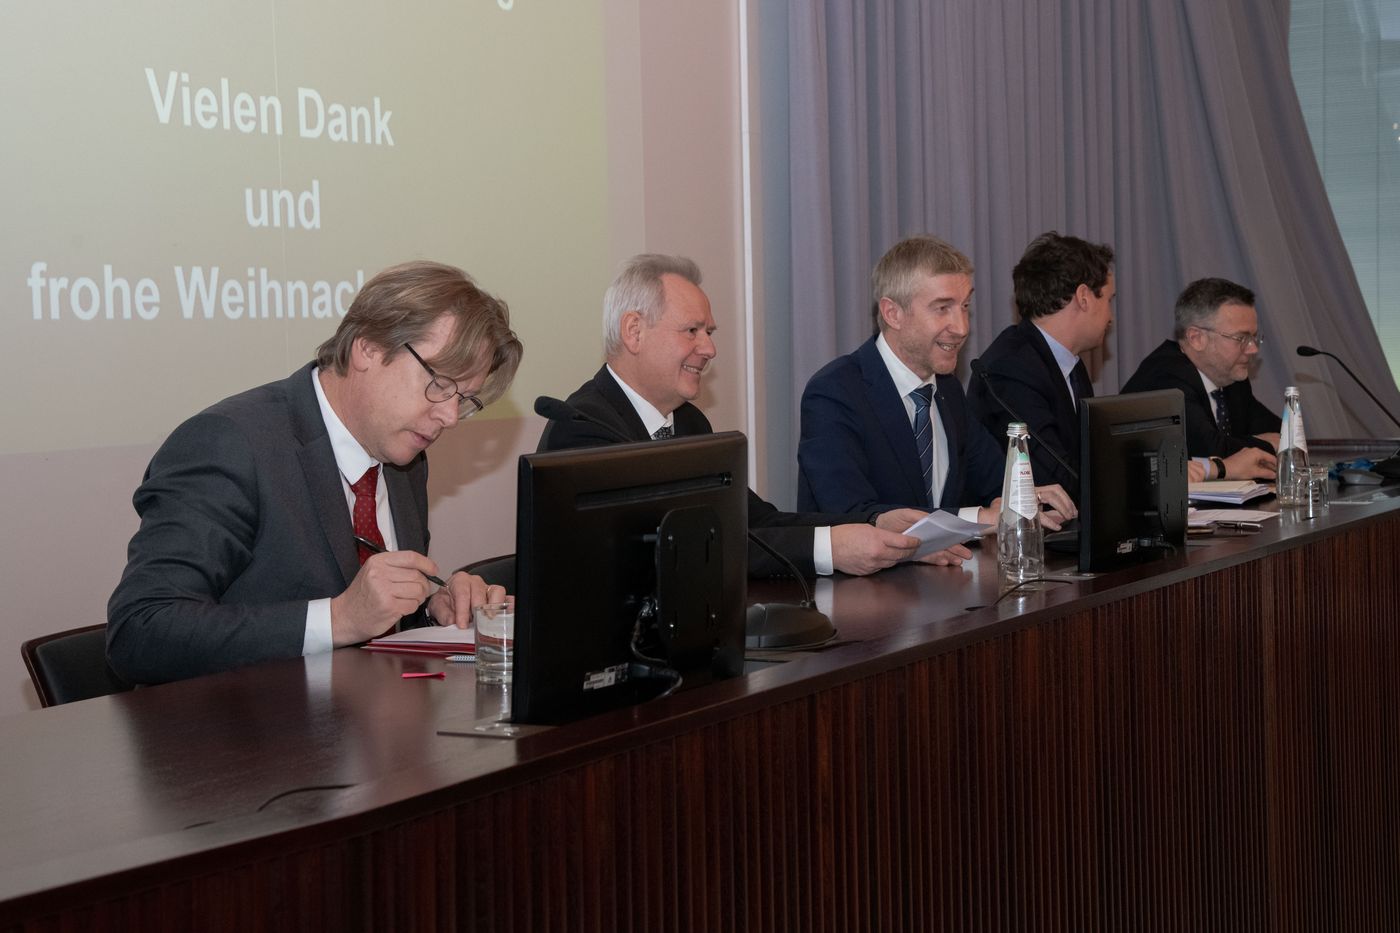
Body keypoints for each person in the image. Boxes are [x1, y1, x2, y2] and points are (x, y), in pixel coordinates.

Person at [107, 260, 523, 685]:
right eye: (440, 383)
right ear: (368, 348)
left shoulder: (405, 459)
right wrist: (339, 618)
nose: (450, 416)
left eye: (465, 399)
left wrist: (432, 608)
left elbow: (368, 621)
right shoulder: (230, 443)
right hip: (241, 722)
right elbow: (141, 631)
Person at [537, 253, 948, 577]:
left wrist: (872, 524)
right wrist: (829, 549)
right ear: (634, 331)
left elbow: (755, 520)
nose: (709, 349)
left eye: (709, 333)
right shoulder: (583, 430)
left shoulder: (689, 422)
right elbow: (669, 553)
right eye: (692, 331)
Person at [797, 235, 1075, 526]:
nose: (962, 328)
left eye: (965, 306)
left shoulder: (947, 389)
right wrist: (979, 517)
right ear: (893, 313)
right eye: (943, 308)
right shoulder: (834, 393)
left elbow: (995, 484)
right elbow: (853, 515)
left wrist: (1023, 497)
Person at [966, 231, 1115, 500]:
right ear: (1083, 297)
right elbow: (1050, 474)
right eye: (1108, 300)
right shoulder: (1011, 368)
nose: (1110, 316)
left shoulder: (1069, 364)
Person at [1121, 277, 1279, 480]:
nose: (1253, 349)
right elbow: (1211, 451)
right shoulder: (1166, 377)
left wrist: (1260, 442)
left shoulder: (1230, 377)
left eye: (1254, 337)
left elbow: (1283, 433)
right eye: (1241, 338)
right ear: (1196, 338)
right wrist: (1266, 444)